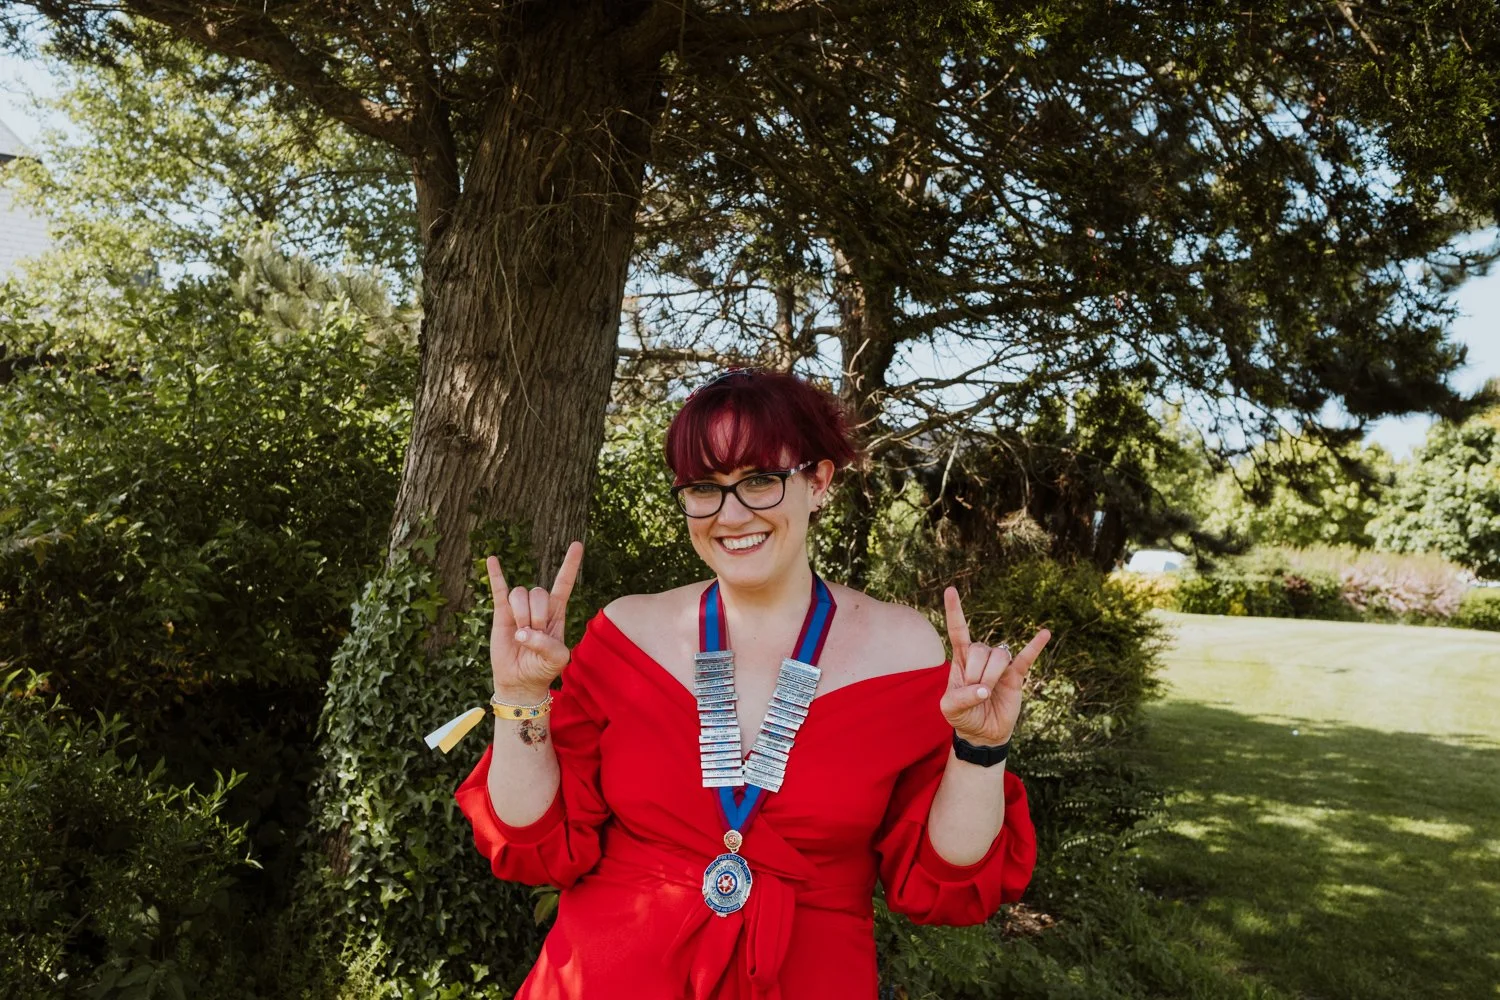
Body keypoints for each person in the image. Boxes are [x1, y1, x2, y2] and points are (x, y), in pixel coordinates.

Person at [450, 369, 1050, 999]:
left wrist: (981, 750)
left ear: (818, 482)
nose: (730, 514)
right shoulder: (627, 634)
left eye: (760, 480)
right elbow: (530, 840)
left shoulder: (903, 652)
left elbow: (946, 878)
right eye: (703, 488)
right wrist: (519, 697)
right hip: (605, 977)